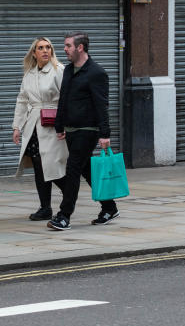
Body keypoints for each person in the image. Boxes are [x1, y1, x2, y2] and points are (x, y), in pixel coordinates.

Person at [48, 32, 119, 231]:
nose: (64, 49)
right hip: (71, 129)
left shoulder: (96, 73)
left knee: (72, 170)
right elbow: (64, 99)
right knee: (87, 170)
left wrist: (105, 134)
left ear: (80, 48)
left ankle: (64, 216)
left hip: (88, 129)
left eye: (68, 46)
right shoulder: (69, 70)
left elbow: (101, 105)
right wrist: (59, 125)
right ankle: (109, 207)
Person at [12, 38, 68, 221]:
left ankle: (69, 199)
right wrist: (17, 127)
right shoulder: (29, 73)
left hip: (54, 124)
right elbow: (22, 100)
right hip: (34, 125)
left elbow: (68, 99)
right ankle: (45, 208)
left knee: (53, 166)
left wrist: (66, 123)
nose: (45, 51)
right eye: (41, 48)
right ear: (34, 53)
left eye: (48, 47)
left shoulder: (59, 70)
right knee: (39, 168)